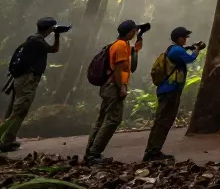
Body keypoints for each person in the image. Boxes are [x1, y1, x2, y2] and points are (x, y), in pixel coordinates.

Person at [0, 17, 63, 152]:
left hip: (19, 79)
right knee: (20, 109)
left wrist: (56, 34)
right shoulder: (38, 42)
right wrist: (57, 35)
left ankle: (5, 138)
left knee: (14, 108)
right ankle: (5, 141)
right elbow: (55, 49)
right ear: (50, 29)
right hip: (27, 79)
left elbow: (53, 49)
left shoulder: (32, 39)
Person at [85, 20, 143, 164]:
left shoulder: (119, 44)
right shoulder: (121, 46)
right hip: (113, 86)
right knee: (113, 119)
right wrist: (121, 87)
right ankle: (94, 154)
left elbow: (134, 53)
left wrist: (140, 38)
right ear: (129, 31)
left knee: (102, 119)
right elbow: (117, 70)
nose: (135, 33)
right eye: (134, 31)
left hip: (107, 85)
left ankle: (90, 152)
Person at [143, 27, 205, 162]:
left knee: (163, 120)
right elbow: (190, 59)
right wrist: (197, 49)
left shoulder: (173, 49)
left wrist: (190, 47)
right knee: (163, 121)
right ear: (178, 38)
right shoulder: (177, 50)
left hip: (168, 90)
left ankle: (153, 151)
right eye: (184, 37)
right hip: (170, 90)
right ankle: (152, 152)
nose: (185, 39)